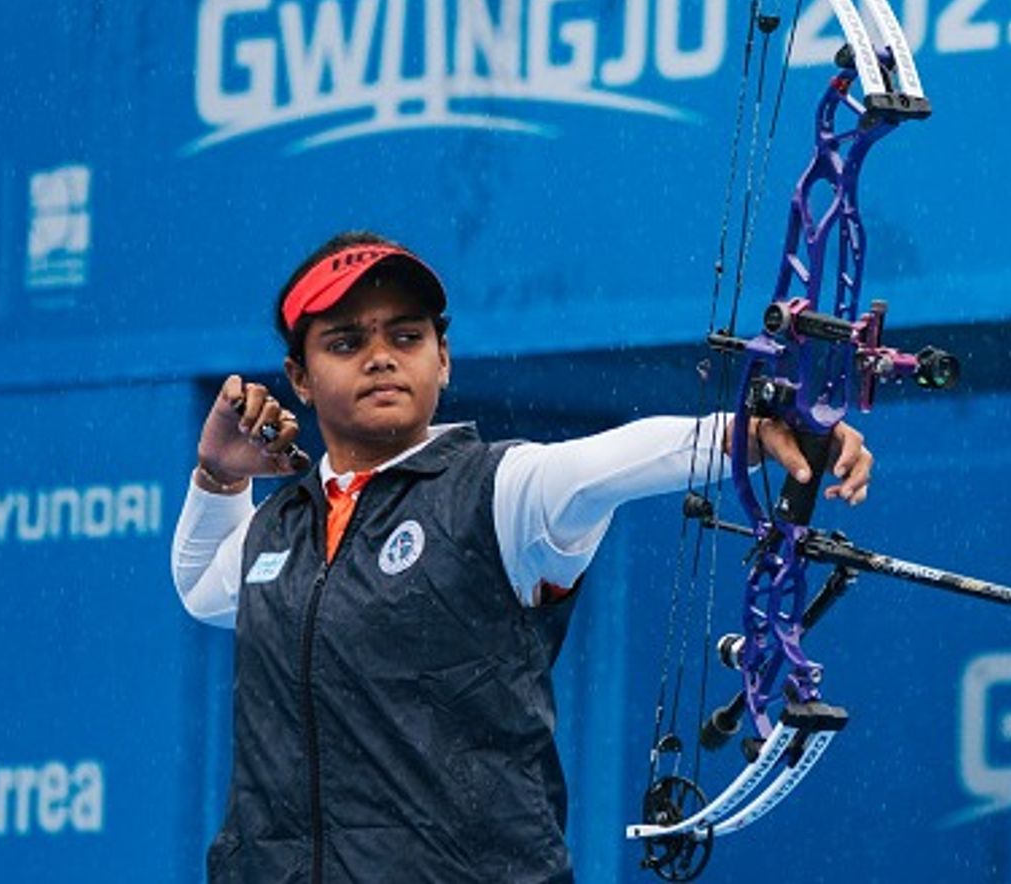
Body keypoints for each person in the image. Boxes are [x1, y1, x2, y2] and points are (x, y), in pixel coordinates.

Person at [170, 231, 873, 883]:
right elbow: (204, 586)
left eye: (407, 336)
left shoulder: (500, 490)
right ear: (300, 375)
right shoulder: (280, 529)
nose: (381, 356)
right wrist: (221, 480)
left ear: (442, 360)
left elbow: (613, 461)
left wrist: (754, 433)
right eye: (347, 342)